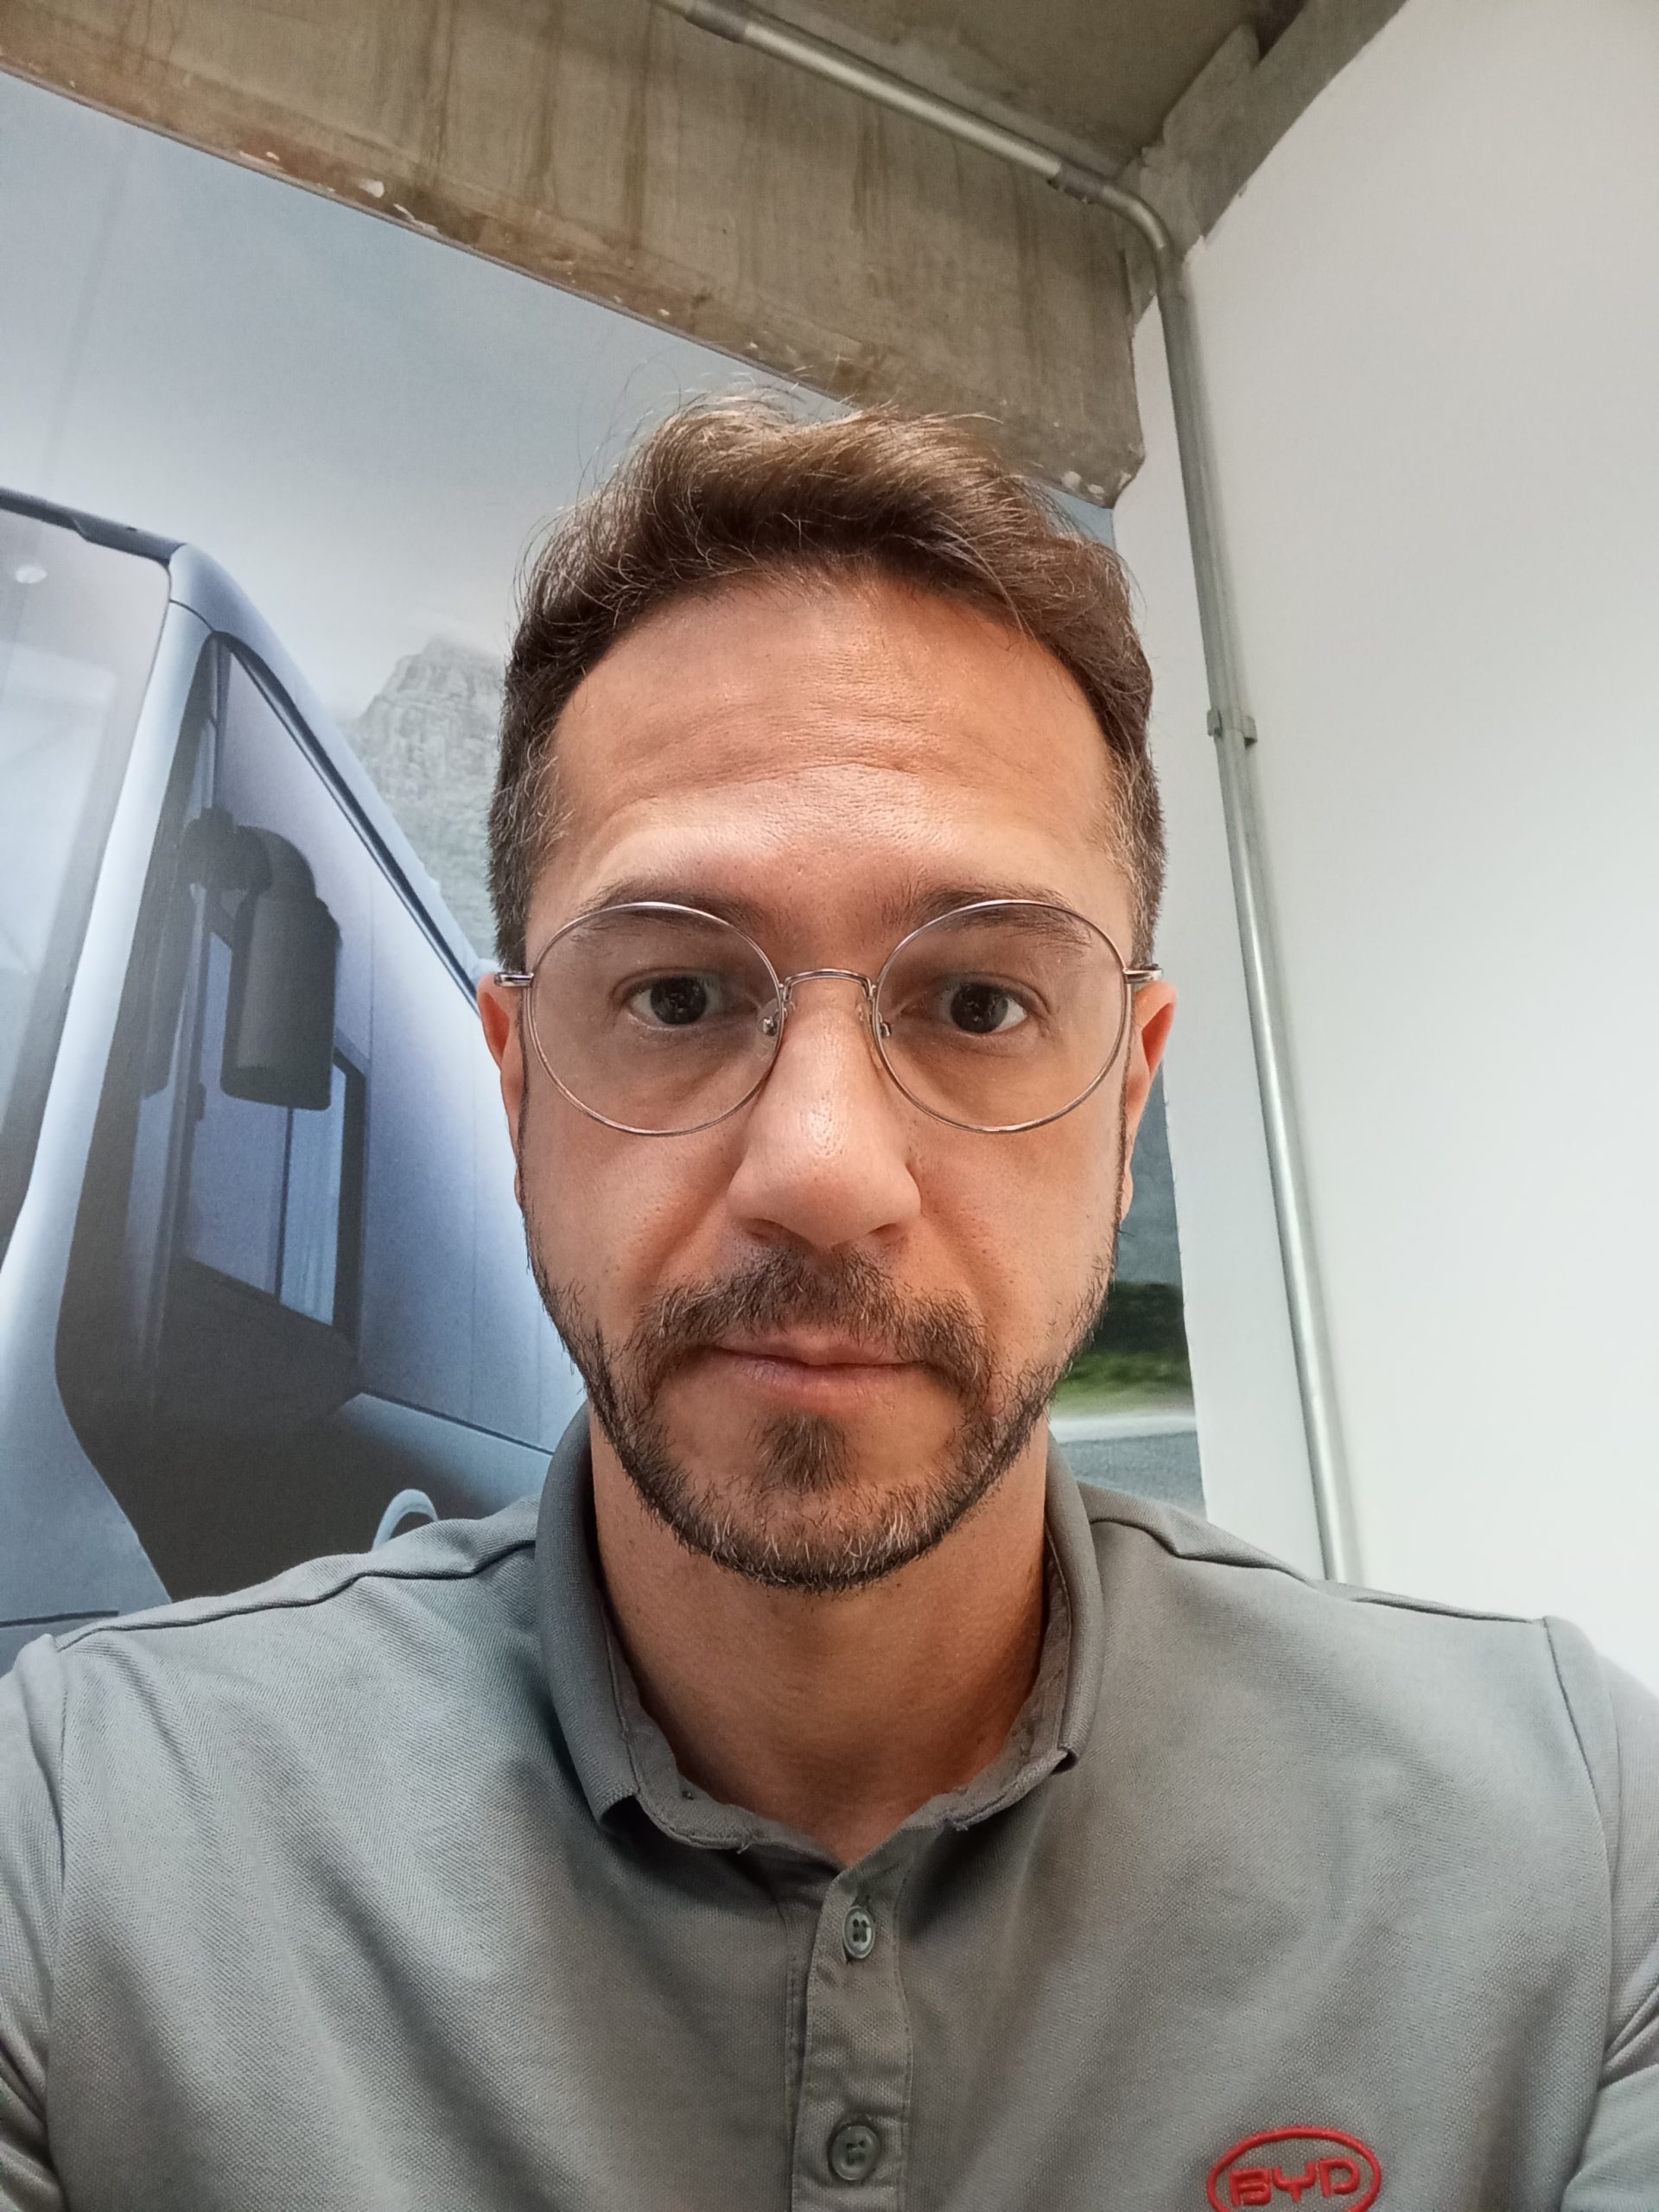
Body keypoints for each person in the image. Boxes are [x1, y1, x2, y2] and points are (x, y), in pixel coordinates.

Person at [0, 400, 1655, 2212]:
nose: (820, 1165)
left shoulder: (1576, 1849)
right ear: (517, 1089)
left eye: (979, 1004)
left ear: (1127, 1105)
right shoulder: (76, 1837)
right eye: (679, 994)